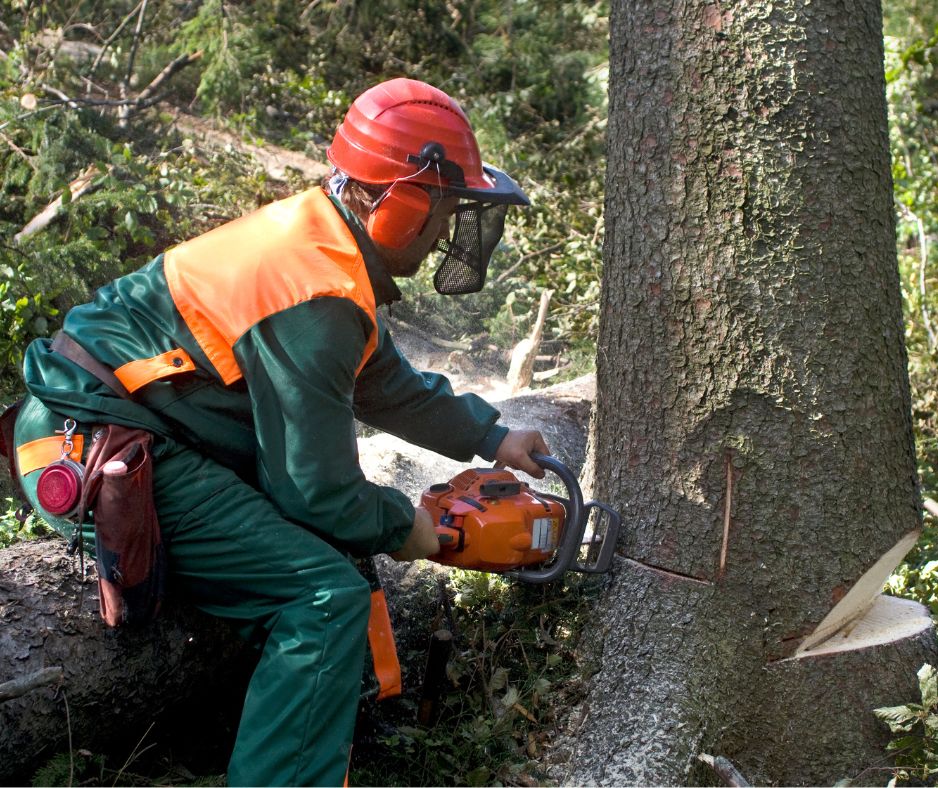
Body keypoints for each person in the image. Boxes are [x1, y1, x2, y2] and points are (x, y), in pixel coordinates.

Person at [9, 77, 549, 786]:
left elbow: (383, 383)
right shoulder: (316, 294)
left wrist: (493, 437)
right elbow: (315, 491)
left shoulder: (323, 247)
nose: (447, 233)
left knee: (325, 560)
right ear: (403, 203)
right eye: (445, 211)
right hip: (100, 446)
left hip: (132, 426)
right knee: (323, 599)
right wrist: (406, 527)